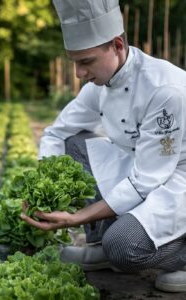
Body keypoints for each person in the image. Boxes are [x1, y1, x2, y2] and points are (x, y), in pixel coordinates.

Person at [21, 0, 186, 293]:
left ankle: (178, 256)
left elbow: (149, 179)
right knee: (75, 143)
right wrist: (43, 186)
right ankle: (100, 242)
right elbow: (55, 134)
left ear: (117, 45)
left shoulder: (163, 89)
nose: (78, 73)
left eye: (86, 61)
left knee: (123, 248)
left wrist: (76, 217)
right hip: (144, 166)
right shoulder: (101, 85)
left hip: (176, 175)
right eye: (75, 62)